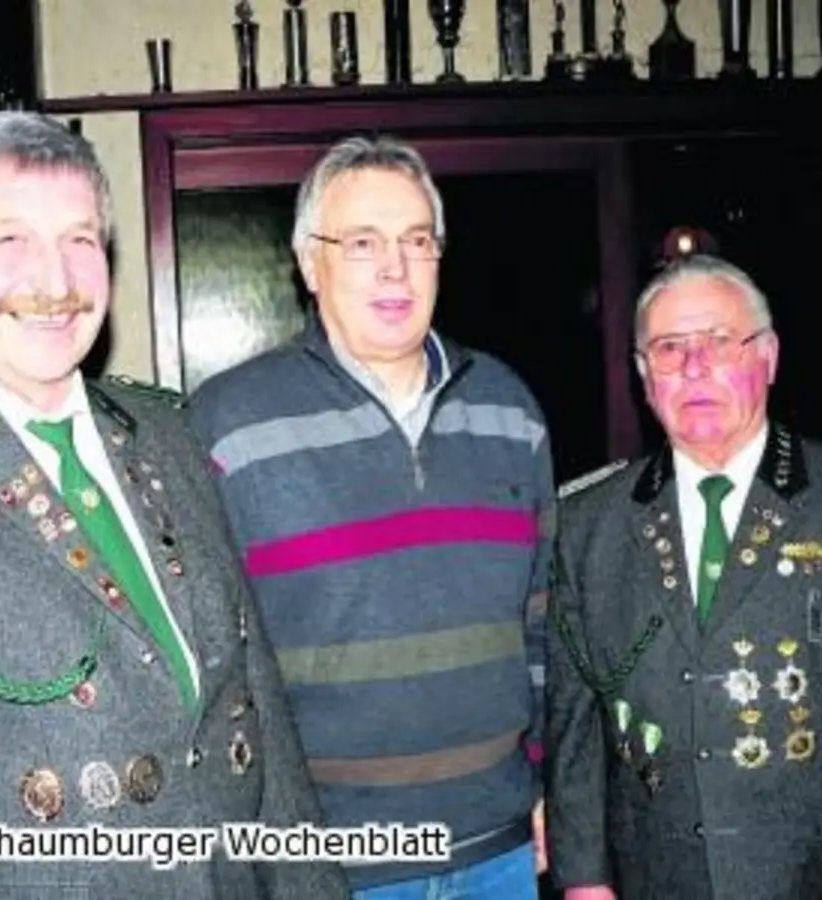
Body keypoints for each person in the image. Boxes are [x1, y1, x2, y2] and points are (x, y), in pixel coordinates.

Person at [0, 112, 349, 899]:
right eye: (12, 240)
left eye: (80, 239)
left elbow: (264, 736)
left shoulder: (172, 433)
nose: (56, 281)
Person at [188, 134, 554, 899]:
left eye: (417, 241)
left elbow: (542, 625)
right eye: (362, 242)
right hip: (329, 865)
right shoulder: (228, 425)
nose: (396, 267)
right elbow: (208, 666)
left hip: (500, 853)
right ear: (309, 264)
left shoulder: (508, 407)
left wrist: (549, 782)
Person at [543, 253, 822, 899]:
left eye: (720, 341)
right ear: (645, 376)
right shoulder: (589, 521)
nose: (695, 366)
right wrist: (585, 880)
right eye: (670, 348)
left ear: (769, 357)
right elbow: (576, 723)